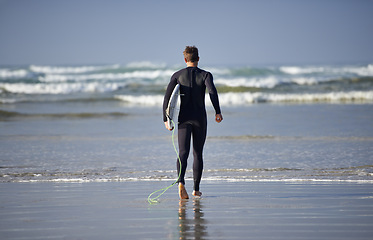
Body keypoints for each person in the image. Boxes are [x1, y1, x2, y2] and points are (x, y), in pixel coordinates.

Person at [163, 46, 223, 199]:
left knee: (183, 152)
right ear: (198, 58)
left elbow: (167, 98)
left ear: (185, 59)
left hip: (183, 118)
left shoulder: (177, 75)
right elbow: (212, 92)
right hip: (199, 118)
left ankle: (181, 182)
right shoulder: (205, 75)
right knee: (198, 154)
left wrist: (166, 118)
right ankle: (196, 189)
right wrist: (217, 111)